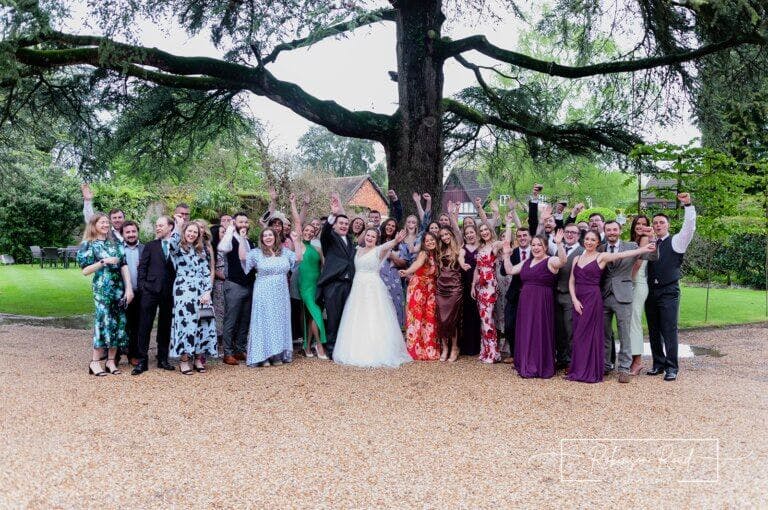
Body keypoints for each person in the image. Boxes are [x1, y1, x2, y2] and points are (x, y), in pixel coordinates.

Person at [568, 231, 656, 383]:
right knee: (578, 335)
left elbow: (623, 254)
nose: (589, 242)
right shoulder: (577, 258)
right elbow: (571, 281)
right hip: (578, 299)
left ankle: (592, 369)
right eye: (587, 239)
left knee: (591, 335)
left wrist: (643, 249)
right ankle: (578, 368)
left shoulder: (601, 256)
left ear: (597, 243)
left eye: (593, 240)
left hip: (593, 298)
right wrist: (574, 300)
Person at [334, 228, 412, 367]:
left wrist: (396, 241)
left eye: (373, 236)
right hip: (358, 287)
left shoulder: (379, 250)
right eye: (368, 235)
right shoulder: (358, 249)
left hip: (373, 287)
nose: (370, 238)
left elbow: (387, 246)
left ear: (377, 238)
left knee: (373, 315)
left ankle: (376, 350)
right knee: (357, 315)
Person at [646, 193, 697, 381]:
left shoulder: (677, 241)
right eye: (655, 223)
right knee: (653, 330)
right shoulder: (650, 244)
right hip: (651, 292)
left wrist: (688, 205)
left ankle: (672, 367)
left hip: (668, 291)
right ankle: (658, 364)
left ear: (667, 225)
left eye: (661, 222)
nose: (658, 225)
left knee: (668, 329)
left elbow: (689, 227)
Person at [600, 220, 659, 382]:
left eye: (614, 230)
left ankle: (624, 368)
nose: (611, 232)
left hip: (624, 294)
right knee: (605, 334)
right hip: (604, 295)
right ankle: (605, 365)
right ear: (604, 232)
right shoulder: (600, 248)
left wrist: (652, 239)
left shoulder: (632, 246)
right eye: (608, 230)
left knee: (624, 333)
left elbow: (653, 256)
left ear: (619, 231)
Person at [502, 232, 566, 379]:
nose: (536, 247)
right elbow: (510, 270)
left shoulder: (551, 260)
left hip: (542, 302)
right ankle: (525, 361)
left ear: (545, 247)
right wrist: (506, 256)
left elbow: (563, 261)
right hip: (525, 302)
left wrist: (559, 243)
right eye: (534, 245)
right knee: (526, 330)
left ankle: (540, 364)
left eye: (539, 245)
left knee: (539, 330)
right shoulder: (527, 262)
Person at [78, 213, 134, 376]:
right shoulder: (88, 244)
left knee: (118, 323)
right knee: (103, 323)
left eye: (106, 222)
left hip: (119, 289)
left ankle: (111, 361)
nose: (105, 225)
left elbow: (123, 265)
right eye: (101, 222)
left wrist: (129, 289)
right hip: (102, 290)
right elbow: (85, 271)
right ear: (94, 225)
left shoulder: (115, 243)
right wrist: (103, 262)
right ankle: (95, 362)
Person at [240, 227, 303, 366]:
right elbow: (243, 258)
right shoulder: (257, 253)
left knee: (279, 321)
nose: (268, 237)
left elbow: (298, 258)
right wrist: (242, 239)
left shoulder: (284, 252)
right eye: (265, 235)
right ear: (262, 239)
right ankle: (263, 355)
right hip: (263, 290)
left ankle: (276, 354)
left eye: (271, 235)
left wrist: (296, 241)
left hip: (281, 292)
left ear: (275, 237)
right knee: (264, 320)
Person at [167, 217, 218, 374]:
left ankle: (198, 359)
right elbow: (171, 245)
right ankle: (184, 360)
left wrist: (207, 291)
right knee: (186, 324)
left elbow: (206, 272)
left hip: (201, 290)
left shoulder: (201, 250)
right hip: (184, 289)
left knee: (203, 323)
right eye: (189, 231)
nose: (192, 234)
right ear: (184, 232)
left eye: (195, 232)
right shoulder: (178, 248)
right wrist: (178, 226)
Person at [134, 216, 177, 375]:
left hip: (169, 292)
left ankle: (163, 359)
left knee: (165, 326)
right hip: (150, 291)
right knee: (144, 325)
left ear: (170, 227)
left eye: (161, 225)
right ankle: (142, 361)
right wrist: (143, 287)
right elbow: (142, 268)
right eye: (156, 225)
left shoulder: (177, 246)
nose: (157, 228)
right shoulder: (151, 246)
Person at [317, 193, 356, 359]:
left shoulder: (350, 241)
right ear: (335, 225)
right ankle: (332, 350)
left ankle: (344, 348)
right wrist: (333, 214)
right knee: (333, 318)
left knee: (346, 317)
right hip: (333, 285)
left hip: (349, 284)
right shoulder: (329, 238)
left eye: (346, 223)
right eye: (341, 223)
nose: (344, 225)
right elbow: (325, 231)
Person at [290, 195, 328, 360]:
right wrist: (294, 203)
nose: (308, 233)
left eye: (311, 232)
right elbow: (298, 222)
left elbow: (323, 267)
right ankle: (319, 345)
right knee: (315, 311)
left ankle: (307, 346)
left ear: (314, 234)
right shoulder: (298, 244)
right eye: (306, 231)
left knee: (310, 314)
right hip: (304, 285)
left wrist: (322, 284)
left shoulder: (317, 248)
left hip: (316, 284)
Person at [217, 212, 255, 365]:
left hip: (249, 284)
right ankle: (227, 352)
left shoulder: (250, 242)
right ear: (234, 223)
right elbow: (222, 248)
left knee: (245, 319)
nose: (244, 225)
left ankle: (240, 349)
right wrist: (230, 230)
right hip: (234, 285)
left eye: (246, 222)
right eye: (241, 222)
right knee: (231, 320)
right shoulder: (230, 239)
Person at [400, 232, 440, 361]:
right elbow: (417, 264)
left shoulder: (436, 254)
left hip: (430, 289)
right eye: (427, 241)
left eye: (432, 240)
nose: (429, 242)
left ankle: (428, 348)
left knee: (429, 318)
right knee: (416, 317)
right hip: (418, 287)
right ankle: (415, 349)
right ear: (423, 243)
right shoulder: (424, 253)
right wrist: (407, 271)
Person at [499, 224, 532, 364]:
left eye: (525, 235)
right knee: (510, 325)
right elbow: (503, 272)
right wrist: (506, 256)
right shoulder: (513, 252)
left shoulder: (537, 251)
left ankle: (528, 354)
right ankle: (514, 353)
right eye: (519, 236)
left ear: (530, 237)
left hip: (531, 295)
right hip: (515, 293)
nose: (522, 238)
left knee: (529, 325)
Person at [471, 222, 504, 363]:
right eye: (482, 230)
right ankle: (485, 351)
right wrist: (473, 285)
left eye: (486, 230)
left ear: (490, 230)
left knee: (488, 318)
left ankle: (493, 353)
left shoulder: (495, 245)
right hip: (480, 286)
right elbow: (477, 268)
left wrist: (508, 224)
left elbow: (507, 241)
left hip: (490, 284)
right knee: (484, 319)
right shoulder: (481, 247)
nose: (484, 232)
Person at [553, 224, 584, 370]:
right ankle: (561, 358)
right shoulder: (558, 250)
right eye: (567, 232)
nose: (570, 235)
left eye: (573, 232)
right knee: (558, 329)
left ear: (578, 235)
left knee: (570, 329)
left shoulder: (582, 252)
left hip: (570, 296)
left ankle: (572, 361)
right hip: (555, 295)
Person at [628, 215, 652, 374]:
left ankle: (637, 361)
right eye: (638, 223)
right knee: (630, 321)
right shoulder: (632, 241)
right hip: (632, 283)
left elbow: (637, 264)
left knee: (634, 321)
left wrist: (626, 282)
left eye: (644, 224)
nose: (640, 226)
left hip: (637, 283)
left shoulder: (644, 240)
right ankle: (631, 358)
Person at [436, 227, 463, 362]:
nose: (445, 237)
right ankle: (445, 347)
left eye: (447, 234)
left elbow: (462, 263)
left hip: (454, 288)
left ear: (451, 234)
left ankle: (454, 348)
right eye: (442, 235)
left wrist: (454, 214)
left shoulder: (459, 248)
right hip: (441, 288)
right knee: (441, 319)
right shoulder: (439, 250)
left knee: (452, 320)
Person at [120, 221, 143, 366]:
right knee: (121, 324)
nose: (131, 234)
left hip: (140, 293)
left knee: (137, 325)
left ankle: (133, 354)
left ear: (137, 232)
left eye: (133, 231)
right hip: (121, 293)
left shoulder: (145, 249)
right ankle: (115, 356)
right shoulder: (118, 249)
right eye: (127, 232)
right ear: (123, 234)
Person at [379, 217, 409, 327]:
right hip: (378, 279)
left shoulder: (401, 245)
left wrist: (391, 254)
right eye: (388, 225)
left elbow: (403, 264)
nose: (390, 227)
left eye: (393, 226)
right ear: (384, 225)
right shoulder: (377, 241)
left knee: (395, 305)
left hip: (394, 280)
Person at [458, 224, 481, 356]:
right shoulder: (463, 248)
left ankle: (478, 346)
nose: (470, 235)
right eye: (467, 233)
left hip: (480, 283)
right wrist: (462, 264)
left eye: (472, 232)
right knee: (467, 314)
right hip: (467, 283)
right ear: (465, 236)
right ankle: (467, 346)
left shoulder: (481, 247)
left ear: (476, 233)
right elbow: (460, 257)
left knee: (478, 314)